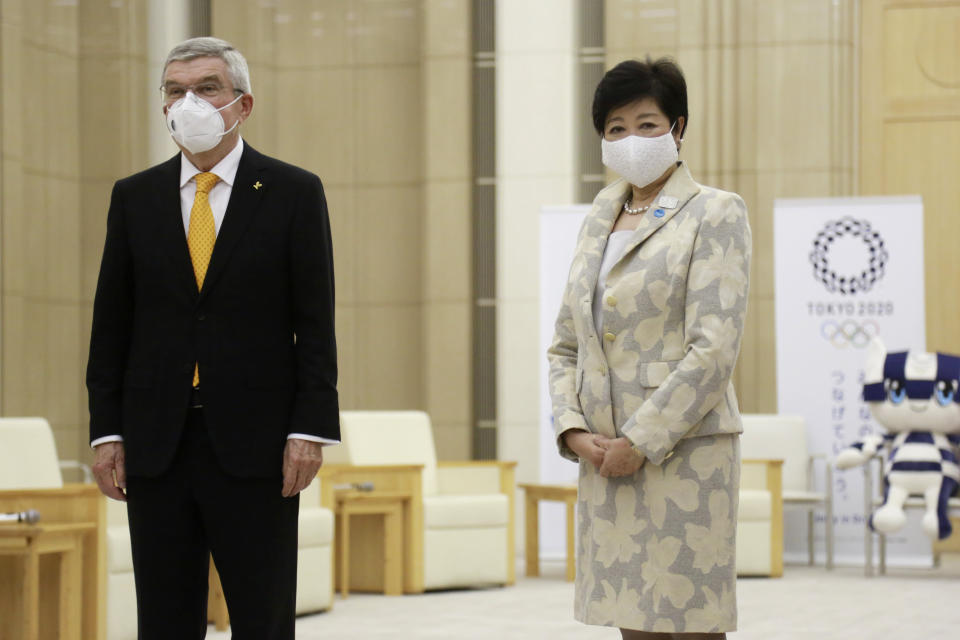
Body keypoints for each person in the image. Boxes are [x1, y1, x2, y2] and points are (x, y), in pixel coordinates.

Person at [86, 37, 339, 639]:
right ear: (163, 106)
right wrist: (106, 430)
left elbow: (316, 320)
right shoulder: (134, 197)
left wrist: (309, 430)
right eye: (176, 91)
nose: (190, 102)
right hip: (157, 441)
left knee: (263, 615)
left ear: (242, 104)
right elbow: (111, 323)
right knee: (166, 618)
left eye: (207, 88)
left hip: (258, 445)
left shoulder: (293, 191)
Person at [547, 58, 751, 639]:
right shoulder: (598, 218)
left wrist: (639, 440)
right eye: (615, 128)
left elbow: (713, 349)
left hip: (681, 451)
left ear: (678, 127)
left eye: (646, 124)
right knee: (631, 624)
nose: (630, 139)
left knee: (688, 623)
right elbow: (567, 344)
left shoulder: (716, 210)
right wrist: (572, 430)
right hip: (603, 455)